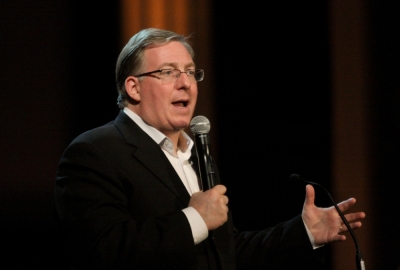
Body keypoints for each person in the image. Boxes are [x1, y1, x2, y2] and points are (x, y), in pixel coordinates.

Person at [54, 28, 366, 270]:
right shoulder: (94, 152)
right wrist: (194, 219)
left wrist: (303, 232)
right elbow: (103, 252)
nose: (186, 83)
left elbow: (225, 254)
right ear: (133, 87)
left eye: (190, 72)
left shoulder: (196, 154)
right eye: (168, 72)